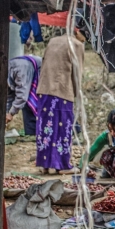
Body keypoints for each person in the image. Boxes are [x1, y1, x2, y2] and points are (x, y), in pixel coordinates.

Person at [36, 34, 84, 174]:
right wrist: (76, 93)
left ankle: (44, 164)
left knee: (45, 128)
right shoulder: (77, 45)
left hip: (44, 89)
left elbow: (44, 64)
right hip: (62, 90)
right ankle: (62, 165)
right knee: (63, 128)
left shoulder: (53, 40)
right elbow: (77, 73)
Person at [6, 55, 42, 135]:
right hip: (28, 71)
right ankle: (31, 133)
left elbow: (22, 96)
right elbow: (9, 96)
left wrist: (11, 113)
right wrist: (6, 112)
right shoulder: (7, 75)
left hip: (40, 72)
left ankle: (32, 133)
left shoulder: (19, 71)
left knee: (29, 103)